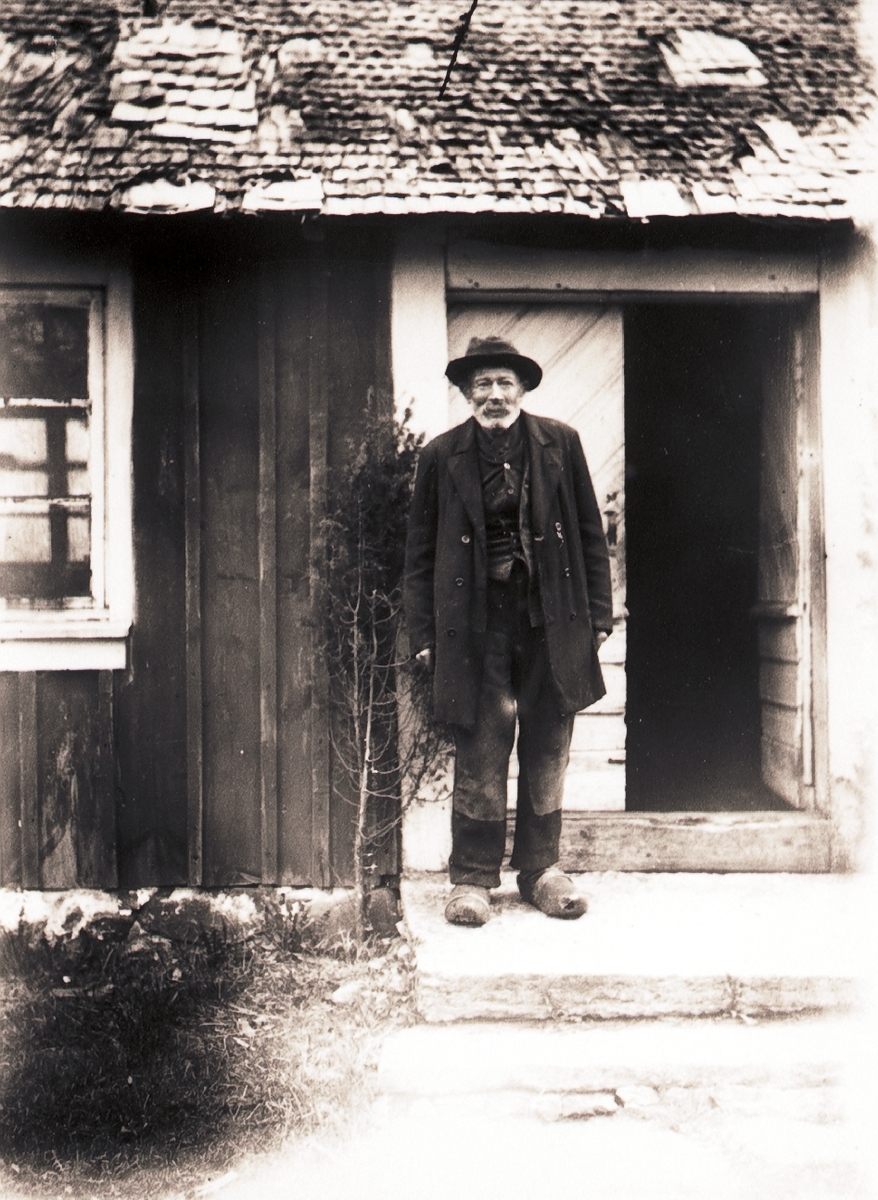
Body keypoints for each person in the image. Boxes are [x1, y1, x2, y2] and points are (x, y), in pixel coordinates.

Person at [404, 336, 613, 926]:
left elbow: (590, 535)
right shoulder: (441, 456)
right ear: (466, 392)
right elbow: (419, 555)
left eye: (504, 383)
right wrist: (424, 634)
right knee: (481, 747)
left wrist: (599, 617)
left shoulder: (559, 444)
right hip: (475, 628)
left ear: (521, 388)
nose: (494, 395)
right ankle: (472, 881)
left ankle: (542, 872)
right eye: (483, 384)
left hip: (551, 621)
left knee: (548, 745)